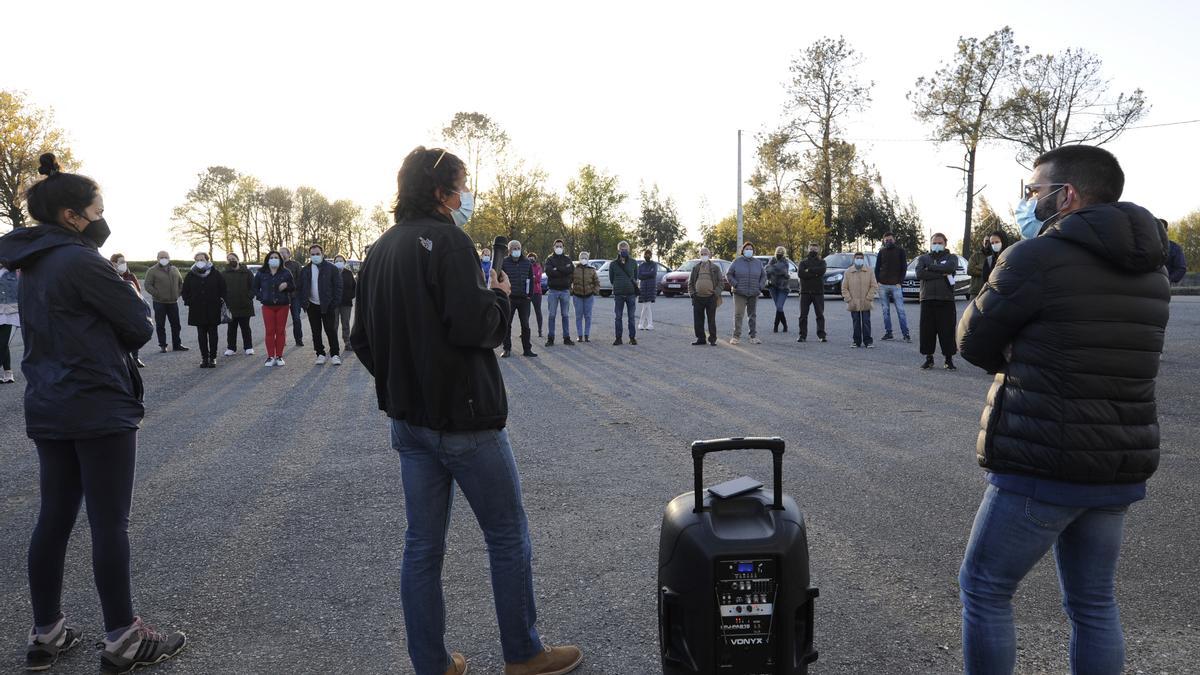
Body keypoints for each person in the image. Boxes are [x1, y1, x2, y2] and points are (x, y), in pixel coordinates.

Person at [348, 146, 581, 675]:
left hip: (409, 425)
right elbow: (474, 326)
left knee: (422, 547)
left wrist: (400, 384)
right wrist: (499, 297)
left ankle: (431, 663)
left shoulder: (379, 251)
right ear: (439, 192)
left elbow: (362, 339)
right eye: (461, 184)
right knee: (506, 535)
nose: (465, 195)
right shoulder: (449, 241)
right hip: (467, 422)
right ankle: (523, 653)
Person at [957, 144, 1169, 675]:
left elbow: (972, 341)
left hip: (1043, 461)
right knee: (1093, 604)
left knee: (984, 587)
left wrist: (1019, 348)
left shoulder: (1035, 257)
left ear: (1066, 196)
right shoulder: (1153, 270)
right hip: (1117, 462)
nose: (1028, 202)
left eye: (1034, 192)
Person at [0, 153, 185, 673]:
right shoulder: (82, 261)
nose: (103, 216)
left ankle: (47, 631)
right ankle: (123, 636)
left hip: (48, 401)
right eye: (97, 208)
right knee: (109, 522)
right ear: (72, 215)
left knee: (54, 517)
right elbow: (139, 325)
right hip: (97, 401)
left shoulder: (30, 261)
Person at [916, 233, 960, 370]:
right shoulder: (923, 258)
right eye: (934, 242)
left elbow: (950, 268)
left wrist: (930, 268)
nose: (937, 244)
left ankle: (949, 359)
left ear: (945, 244)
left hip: (946, 299)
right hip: (927, 299)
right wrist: (941, 273)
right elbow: (919, 274)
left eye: (940, 242)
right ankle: (929, 358)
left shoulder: (952, 257)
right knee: (927, 331)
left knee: (947, 330)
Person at [298, 244, 344, 365]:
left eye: (317, 254)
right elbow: (300, 287)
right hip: (312, 305)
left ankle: (335, 354)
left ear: (322, 254)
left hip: (328, 305)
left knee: (331, 330)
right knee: (316, 331)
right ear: (310, 256)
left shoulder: (331, 268)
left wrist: (334, 303)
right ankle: (320, 354)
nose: (315, 256)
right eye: (312, 254)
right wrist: (304, 302)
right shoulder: (305, 270)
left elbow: (338, 287)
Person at [181, 252, 227, 368]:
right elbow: (185, 291)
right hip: (197, 309)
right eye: (197, 260)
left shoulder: (215, 273)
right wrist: (189, 301)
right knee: (201, 335)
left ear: (207, 260)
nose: (200, 262)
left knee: (213, 334)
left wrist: (220, 300)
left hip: (213, 308)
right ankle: (204, 358)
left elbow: (223, 289)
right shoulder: (191, 274)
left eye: (202, 259)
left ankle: (213, 357)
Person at [254, 251, 295, 366]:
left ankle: (279, 356)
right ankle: (270, 356)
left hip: (283, 305)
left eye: (276, 257)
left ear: (280, 260)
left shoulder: (286, 272)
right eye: (271, 257)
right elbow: (255, 288)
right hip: (267, 306)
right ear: (267, 260)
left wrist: (287, 285)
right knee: (270, 331)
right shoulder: (261, 273)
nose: (273, 259)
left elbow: (293, 287)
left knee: (280, 331)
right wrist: (261, 297)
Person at [143, 250, 187, 353]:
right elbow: (147, 285)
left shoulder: (174, 269)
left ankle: (177, 344)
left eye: (166, 257)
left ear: (169, 258)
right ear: (157, 259)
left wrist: (178, 293)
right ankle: (163, 345)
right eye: (161, 257)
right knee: (160, 325)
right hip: (159, 303)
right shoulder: (152, 270)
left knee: (176, 324)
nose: (164, 259)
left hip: (173, 302)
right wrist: (157, 294)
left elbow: (181, 283)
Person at [500, 240, 536, 358]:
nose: (516, 250)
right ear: (509, 250)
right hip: (509, 298)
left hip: (524, 299)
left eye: (518, 248)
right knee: (507, 324)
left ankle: (527, 349)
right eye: (514, 248)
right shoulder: (504, 262)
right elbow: (500, 278)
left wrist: (530, 294)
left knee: (525, 325)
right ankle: (507, 349)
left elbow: (531, 279)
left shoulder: (527, 262)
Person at [110, 254, 147, 368]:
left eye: (124, 261)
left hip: (131, 310)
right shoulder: (110, 276)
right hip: (117, 310)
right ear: (114, 263)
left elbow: (138, 291)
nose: (123, 264)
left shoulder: (131, 276)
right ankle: (121, 360)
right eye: (121, 262)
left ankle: (135, 359)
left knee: (133, 333)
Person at [727, 241, 766, 344]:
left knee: (752, 315)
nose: (749, 250)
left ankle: (753, 336)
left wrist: (760, 286)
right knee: (738, 314)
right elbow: (729, 274)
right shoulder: (736, 262)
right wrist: (735, 284)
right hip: (739, 292)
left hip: (754, 292)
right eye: (747, 249)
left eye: (750, 249)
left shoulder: (758, 263)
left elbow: (763, 276)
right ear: (743, 251)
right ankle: (736, 336)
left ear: (753, 251)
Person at [874, 232, 910, 342]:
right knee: (885, 311)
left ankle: (906, 334)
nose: (888, 241)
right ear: (884, 241)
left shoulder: (900, 251)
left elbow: (904, 268)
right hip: (883, 285)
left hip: (896, 285)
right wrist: (878, 281)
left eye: (890, 239)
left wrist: (900, 282)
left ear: (894, 239)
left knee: (901, 311)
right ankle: (888, 333)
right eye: (886, 240)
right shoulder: (881, 251)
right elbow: (877, 268)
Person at [221, 252, 256, 357]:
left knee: (245, 328)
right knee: (231, 328)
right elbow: (221, 288)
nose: (231, 260)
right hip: (230, 306)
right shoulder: (224, 274)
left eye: (233, 258)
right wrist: (224, 300)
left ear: (238, 259)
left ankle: (248, 347)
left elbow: (253, 287)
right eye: (229, 259)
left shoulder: (247, 272)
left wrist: (249, 296)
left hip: (245, 305)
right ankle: (231, 348)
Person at [841, 252, 879, 348]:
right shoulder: (848, 272)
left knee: (866, 321)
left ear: (863, 259)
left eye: (861, 258)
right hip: (853, 302)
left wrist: (869, 297)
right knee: (856, 322)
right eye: (857, 258)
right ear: (854, 259)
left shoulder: (869, 271)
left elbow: (874, 286)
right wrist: (849, 299)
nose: (859, 259)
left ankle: (868, 341)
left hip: (866, 301)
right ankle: (856, 341)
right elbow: (844, 288)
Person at [688, 247, 724, 346]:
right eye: (702, 254)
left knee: (711, 320)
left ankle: (712, 339)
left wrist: (716, 293)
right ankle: (701, 338)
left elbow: (721, 283)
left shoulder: (715, 268)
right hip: (698, 298)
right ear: (700, 255)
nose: (704, 256)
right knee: (698, 320)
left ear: (710, 255)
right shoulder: (695, 268)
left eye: (705, 254)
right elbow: (690, 283)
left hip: (711, 297)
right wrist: (692, 294)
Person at [543, 239, 574, 346]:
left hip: (565, 291)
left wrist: (557, 269)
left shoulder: (567, 259)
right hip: (553, 291)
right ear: (553, 247)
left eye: (560, 246)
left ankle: (566, 338)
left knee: (565, 315)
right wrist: (563, 270)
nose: (559, 248)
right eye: (557, 246)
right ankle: (550, 338)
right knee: (552, 315)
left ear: (563, 247)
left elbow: (570, 271)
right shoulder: (549, 259)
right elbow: (549, 272)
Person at [797, 242, 827, 343]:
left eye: (815, 249)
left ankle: (822, 335)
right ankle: (802, 335)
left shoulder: (822, 262)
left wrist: (809, 270)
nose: (813, 251)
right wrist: (815, 274)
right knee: (803, 315)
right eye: (811, 249)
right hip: (805, 292)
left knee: (820, 314)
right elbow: (801, 274)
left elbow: (822, 271)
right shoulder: (803, 262)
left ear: (818, 250)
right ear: (808, 249)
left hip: (818, 292)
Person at [609, 241, 638, 346]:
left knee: (631, 317)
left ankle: (632, 338)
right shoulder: (613, 264)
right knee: (618, 317)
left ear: (629, 250)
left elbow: (636, 276)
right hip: (619, 295)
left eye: (625, 249)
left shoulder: (633, 262)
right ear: (618, 250)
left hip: (631, 294)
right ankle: (618, 338)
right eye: (622, 249)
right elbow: (611, 279)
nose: (624, 250)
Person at [279, 246, 305, 347]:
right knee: (281, 321)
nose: (282, 254)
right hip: (282, 297)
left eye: (284, 252)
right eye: (280, 253)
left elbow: (300, 280)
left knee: (296, 319)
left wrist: (294, 290)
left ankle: (298, 339)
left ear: (289, 254)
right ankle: (282, 340)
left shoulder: (296, 265)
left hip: (295, 296)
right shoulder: (277, 266)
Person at [571, 252, 598, 343]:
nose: (583, 259)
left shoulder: (592, 270)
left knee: (588, 316)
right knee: (578, 316)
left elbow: (597, 282)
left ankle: (587, 335)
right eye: (582, 257)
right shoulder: (574, 269)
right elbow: (569, 281)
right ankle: (580, 336)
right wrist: (572, 292)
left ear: (588, 259)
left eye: (585, 257)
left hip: (589, 296)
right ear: (579, 259)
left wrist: (595, 291)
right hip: (577, 296)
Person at [766, 246, 791, 333]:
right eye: (778, 251)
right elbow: (767, 270)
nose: (779, 253)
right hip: (773, 287)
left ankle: (776, 325)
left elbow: (781, 270)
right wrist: (771, 270)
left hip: (783, 288)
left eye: (781, 251)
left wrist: (772, 269)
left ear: (784, 253)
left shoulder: (786, 262)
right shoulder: (772, 260)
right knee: (778, 307)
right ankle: (785, 326)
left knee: (779, 306)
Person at [0, 263, 18, 383]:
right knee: (2, 343)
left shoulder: (10, 269)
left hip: (8, 310)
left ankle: (8, 373)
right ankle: (8, 372)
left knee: (3, 342)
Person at [335, 254, 356, 345]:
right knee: (334, 325)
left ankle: (347, 342)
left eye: (340, 261)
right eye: (336, 261)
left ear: (344, 262)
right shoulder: (331, 272)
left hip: (346, 303)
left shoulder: (349, 273)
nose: (339, 263)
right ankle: (334, 343)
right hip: (334, 304)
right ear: (334, 263)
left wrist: (349, 296)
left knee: (346, 324)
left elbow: (354, 287)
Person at [636, 249, 658, 331]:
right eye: (646, 254)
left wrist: (644, 274)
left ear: (651, 255)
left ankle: (641, 323)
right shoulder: (641, 265)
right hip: (643, 287)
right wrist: (648, 273)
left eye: (648, 254)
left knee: (646, 305)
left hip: (651, 287)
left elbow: (653, 273)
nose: (647, 256)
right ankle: (649, 324)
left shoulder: (654, 264)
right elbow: (639, 276)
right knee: (646, 306)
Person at [1162, 220, 1188, 284]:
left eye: (1161, 229)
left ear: (1166, 230)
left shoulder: (1175, 248)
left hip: (1164, 286)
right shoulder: (1144, 246)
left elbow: (1181, 268)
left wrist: (1168, 280)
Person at [527, 252, 544, 337]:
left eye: (533, 257)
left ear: (535, 258)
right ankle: (524, 330)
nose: (531, 259)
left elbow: (538, 279)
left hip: (537, 292)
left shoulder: (538, 267)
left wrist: (531, 277)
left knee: (538, 311)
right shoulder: (525, 266)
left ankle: (540, 330)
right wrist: (532, 277)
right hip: (527, 292)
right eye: (529, 257)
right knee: (526, 313)